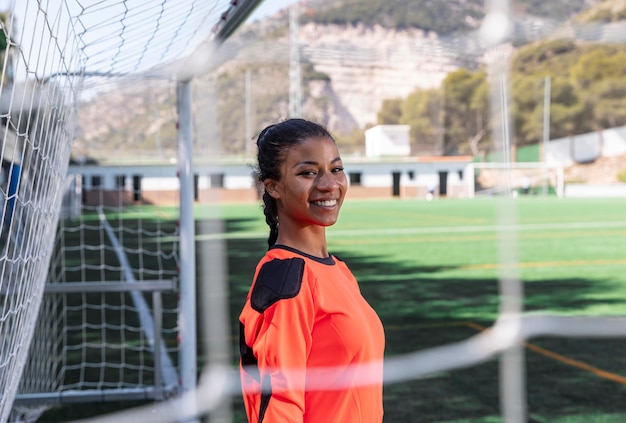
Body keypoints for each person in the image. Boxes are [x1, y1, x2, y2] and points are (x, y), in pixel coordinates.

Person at [239, 118, 385, 423]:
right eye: (308, 173)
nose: (329, 184)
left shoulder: (338, 270)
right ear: (274, 186)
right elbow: (279, 406)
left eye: (336, 169)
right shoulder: (287, 279)